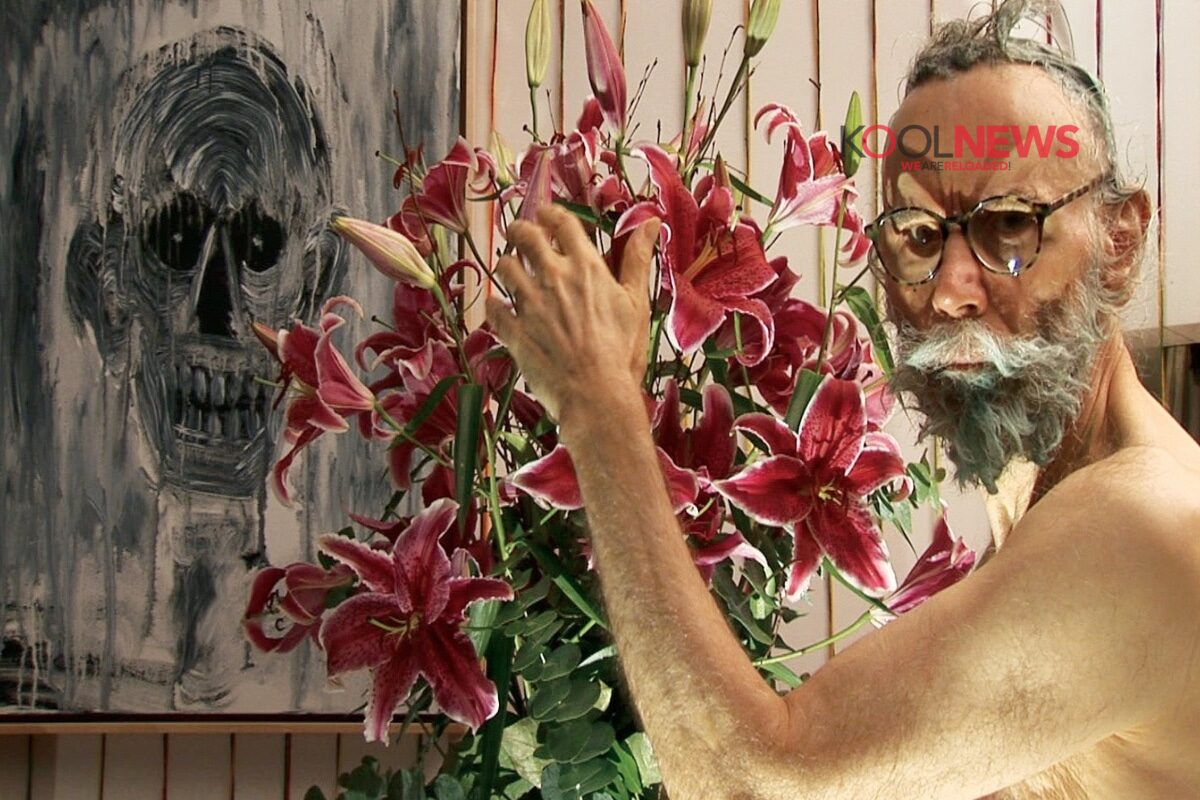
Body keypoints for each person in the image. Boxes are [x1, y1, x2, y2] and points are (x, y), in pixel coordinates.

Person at [486, 2, 1200, 796]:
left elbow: (750, 785)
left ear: (1121, 242)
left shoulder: (1139, 528)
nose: (951, 291)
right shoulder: (1042, 491)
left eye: (1008, 225)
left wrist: (598, 407)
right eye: (919, 236)